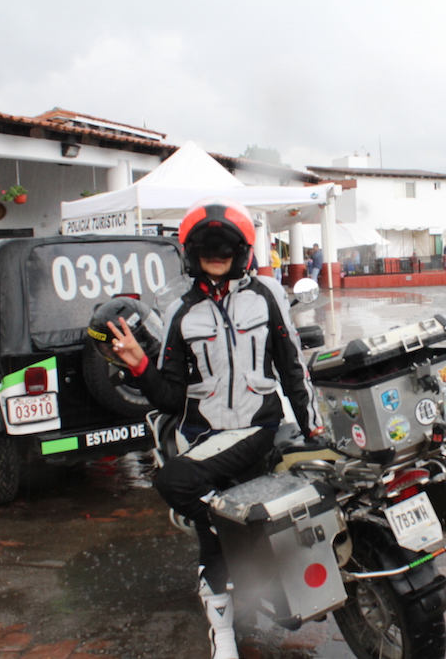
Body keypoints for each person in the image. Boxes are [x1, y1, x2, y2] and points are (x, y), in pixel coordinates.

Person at [106, 198, 322, 659]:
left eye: (226, 248)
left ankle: (235, 532)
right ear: (192, 254)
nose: (217, 256)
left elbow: (292, 369)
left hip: (256, 430)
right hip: (204, 438)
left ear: (241, 251)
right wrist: (139, 365)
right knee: (211, 533)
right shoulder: (182, 313)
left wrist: (312, 428)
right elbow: (169, 397)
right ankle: (223, 630)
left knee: (174, 481)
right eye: (208, 248)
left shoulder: (266, 296)